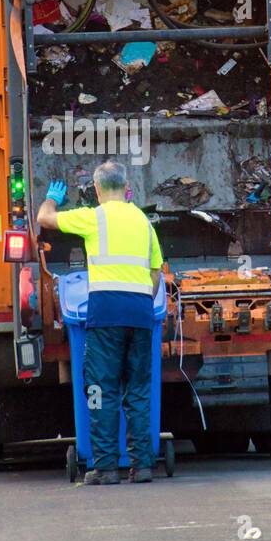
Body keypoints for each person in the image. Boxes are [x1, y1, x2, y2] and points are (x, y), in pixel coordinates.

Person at [36, 160, 163, 486]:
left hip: (105, 312)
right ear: (127, 186)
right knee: (138, 390)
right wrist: (143, 301)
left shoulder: (93, 218)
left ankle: (106, 468)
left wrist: (52, 199)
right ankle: (143, 466)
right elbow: (156, 271)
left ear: (95, 189)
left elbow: (43, 219)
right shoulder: (144, 221)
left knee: (100, 389)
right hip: (140, 312)